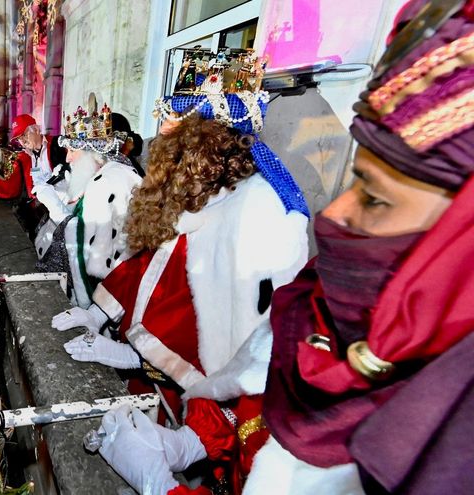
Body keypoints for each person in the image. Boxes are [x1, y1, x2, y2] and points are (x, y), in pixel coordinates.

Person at [96, 2, 474, 493]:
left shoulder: (443, 449)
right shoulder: (330, 308)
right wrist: (191, 441)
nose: (335, 216)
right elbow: (251, 391)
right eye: (357, 180)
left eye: (376, 198)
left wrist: (159, 484)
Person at [59, 51, 310, 494]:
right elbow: (149, 268)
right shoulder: (203, 197)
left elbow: (253, 361)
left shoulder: (258, 217)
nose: (157, 143)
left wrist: (188, 446)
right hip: (164, 387)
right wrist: (100, 316)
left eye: (171, 133)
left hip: (195, 406)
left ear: (202, 144)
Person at [34, 95, 143, 308]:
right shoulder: (103, 177)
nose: (67, 159)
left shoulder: (110, 182)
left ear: (92, 154)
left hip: (101, 304)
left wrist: (55, 208)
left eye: (72, 151)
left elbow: (90, 251)